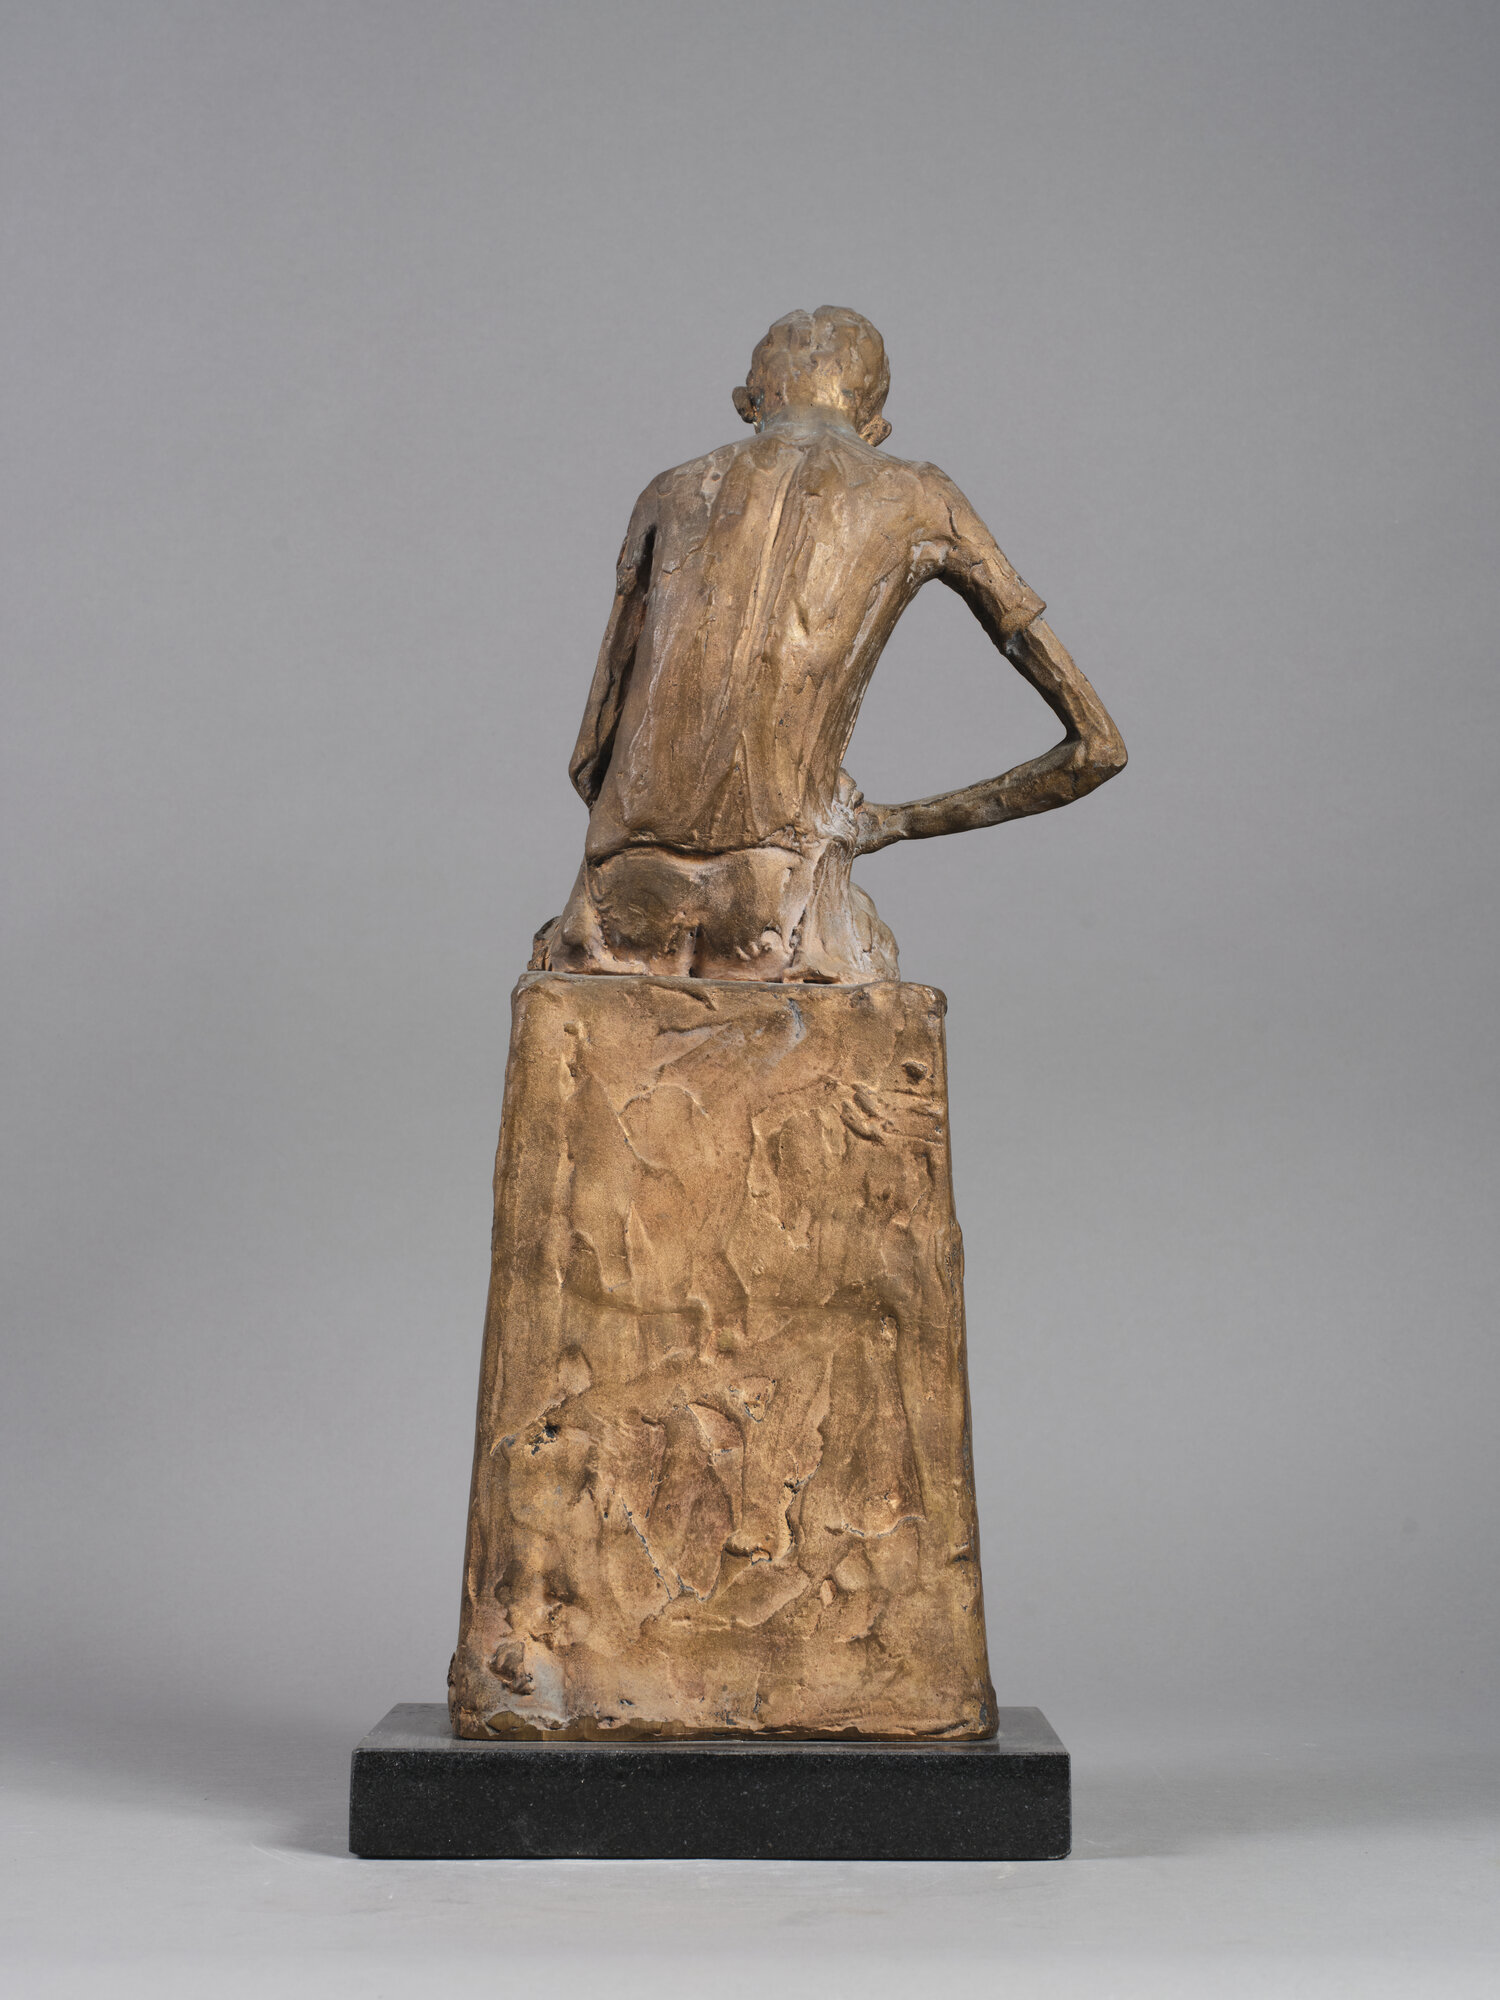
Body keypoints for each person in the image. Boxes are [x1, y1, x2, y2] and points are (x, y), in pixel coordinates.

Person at [533, 307, 1126, 983]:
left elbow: (591, 756)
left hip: (619, 893)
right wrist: (889, 824)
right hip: (780, 896)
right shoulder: (923, 495)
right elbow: (1098, 749)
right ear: (875, 426)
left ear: (749, 403)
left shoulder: (670, 490)